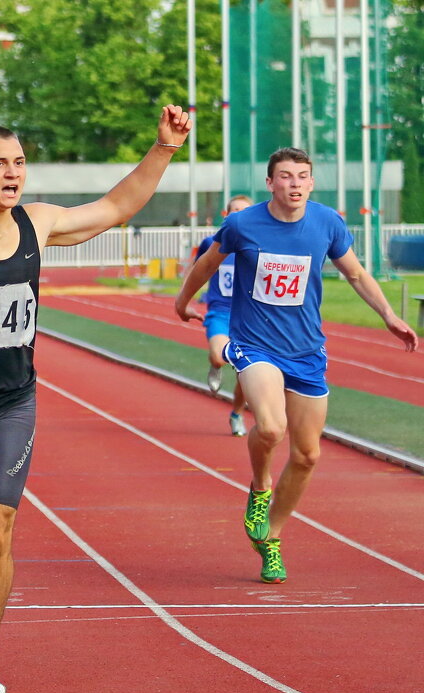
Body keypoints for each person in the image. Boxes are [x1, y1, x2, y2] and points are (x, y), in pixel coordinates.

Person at [0, 105, 192, 693]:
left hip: (12, 403)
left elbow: (114, 208)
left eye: (20, 162)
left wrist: (163, 149)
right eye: (0, 163)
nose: (13, 173)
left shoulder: (39, 223)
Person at [174, 147, 417, 585]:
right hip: (255, 345)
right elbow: (207, 263)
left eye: (303, 176)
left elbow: (357, 275)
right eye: (286, 176)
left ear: (311, 183)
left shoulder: (326, 223)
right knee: (270, 427)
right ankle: (260, 487)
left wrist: (389, 316)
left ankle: (271, 541)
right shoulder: (242, 224)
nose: (295, 184)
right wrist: (181, 302)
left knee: (307, 455)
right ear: (271, 183)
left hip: (306, 352)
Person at [195, 194, 253, 436]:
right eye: (235, 210)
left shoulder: (258, 245)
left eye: (245, 211)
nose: (239, 214)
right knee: (219, 357)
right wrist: (186, 299)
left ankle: (237, 414)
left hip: (249, 318)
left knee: (247, 375)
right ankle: (215, 365)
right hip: (220, 311)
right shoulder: (212, 243)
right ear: (226, 215)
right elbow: (196, 272)